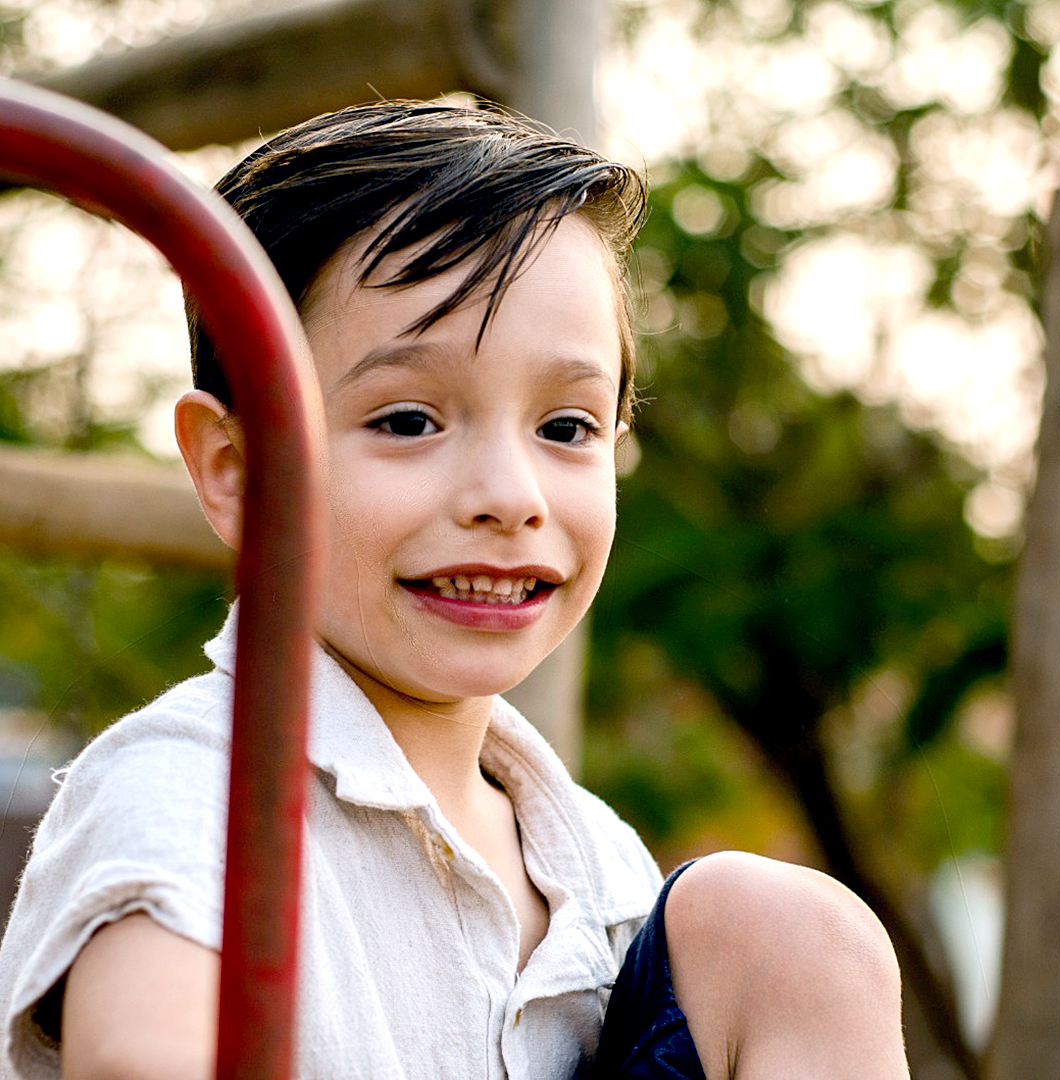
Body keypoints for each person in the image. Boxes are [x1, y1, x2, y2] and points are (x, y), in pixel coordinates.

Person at [0, 101, 909, 1079]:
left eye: (565, 428)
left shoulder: (591, 861)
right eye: (406, 420)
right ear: (237, 470)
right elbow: (146, 1056)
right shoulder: (191, 791)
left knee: (798, 932)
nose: (508, 498)